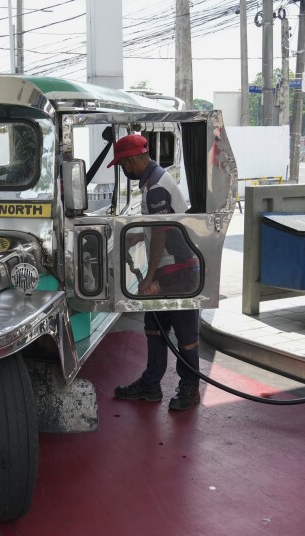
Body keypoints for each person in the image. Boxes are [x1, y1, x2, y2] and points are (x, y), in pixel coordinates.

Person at [107, 133, 202, 411]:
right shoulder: (154, 179)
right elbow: (159, 227)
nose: (123, 171)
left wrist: (149, 279)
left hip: (178, 271)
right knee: (153, 328)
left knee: (185, 335)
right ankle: (151, 384)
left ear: (133, 159)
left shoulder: (156, 187)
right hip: (168, 267)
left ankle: (190, 388)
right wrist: (137, 237)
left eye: (123, 165)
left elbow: (162, 233)